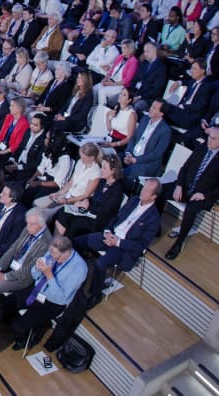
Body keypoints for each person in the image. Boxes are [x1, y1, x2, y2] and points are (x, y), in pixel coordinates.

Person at [73, 179, 161, 308]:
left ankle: (95, 294)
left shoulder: (154, 218)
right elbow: (116, 218)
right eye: (144, 188)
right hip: (110, 235)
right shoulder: (134, 200)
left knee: (100, 263)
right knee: (77, 242)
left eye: (147, 191)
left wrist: (118, 242)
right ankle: (75, 275)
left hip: (122, 247)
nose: (142, 191)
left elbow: (140, 246)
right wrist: (108, 231)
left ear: (154, 197)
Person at [3, 235, 88, 351]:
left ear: (66, 252)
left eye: (56, 257)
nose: (52, 258)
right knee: (6, 304)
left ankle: (24, 339)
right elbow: (34, 275)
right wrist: (37, 269)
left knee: (18, 327)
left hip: (52, 303)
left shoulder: (79, 268)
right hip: (36, 291)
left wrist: (49, 275)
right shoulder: (52, 253)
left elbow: (61, 297)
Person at [165, 128, 219, 259]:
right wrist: (179, 185)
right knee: (159, 191)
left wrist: (205, 195)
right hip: (185, 187)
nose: (209, 141)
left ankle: (179, 243)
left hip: (202, 194)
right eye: (209, 137)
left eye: (214, 139)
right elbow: (185, 168)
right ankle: (153, 228)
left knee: (190, 210)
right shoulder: (202, 147)